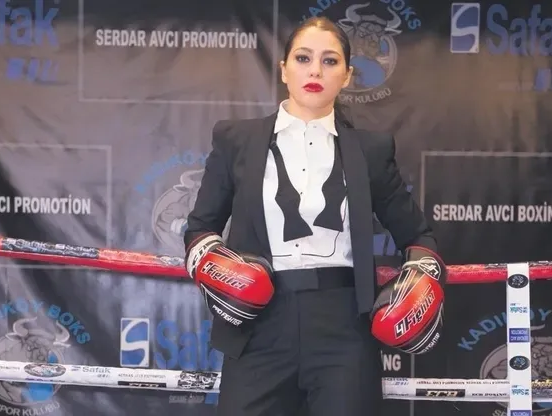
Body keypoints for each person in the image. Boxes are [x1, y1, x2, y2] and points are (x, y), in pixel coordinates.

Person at [184, 16, 443, 416]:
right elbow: (200, 228)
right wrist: (217, 268)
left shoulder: (371, 150)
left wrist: (423, 277)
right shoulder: (236, 140)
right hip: (258, 327)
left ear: (347, 75)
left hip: (344, 327)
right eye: (303, 58)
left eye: (330, 61)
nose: (315, 71)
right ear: (283, 69)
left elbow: (418, 235)